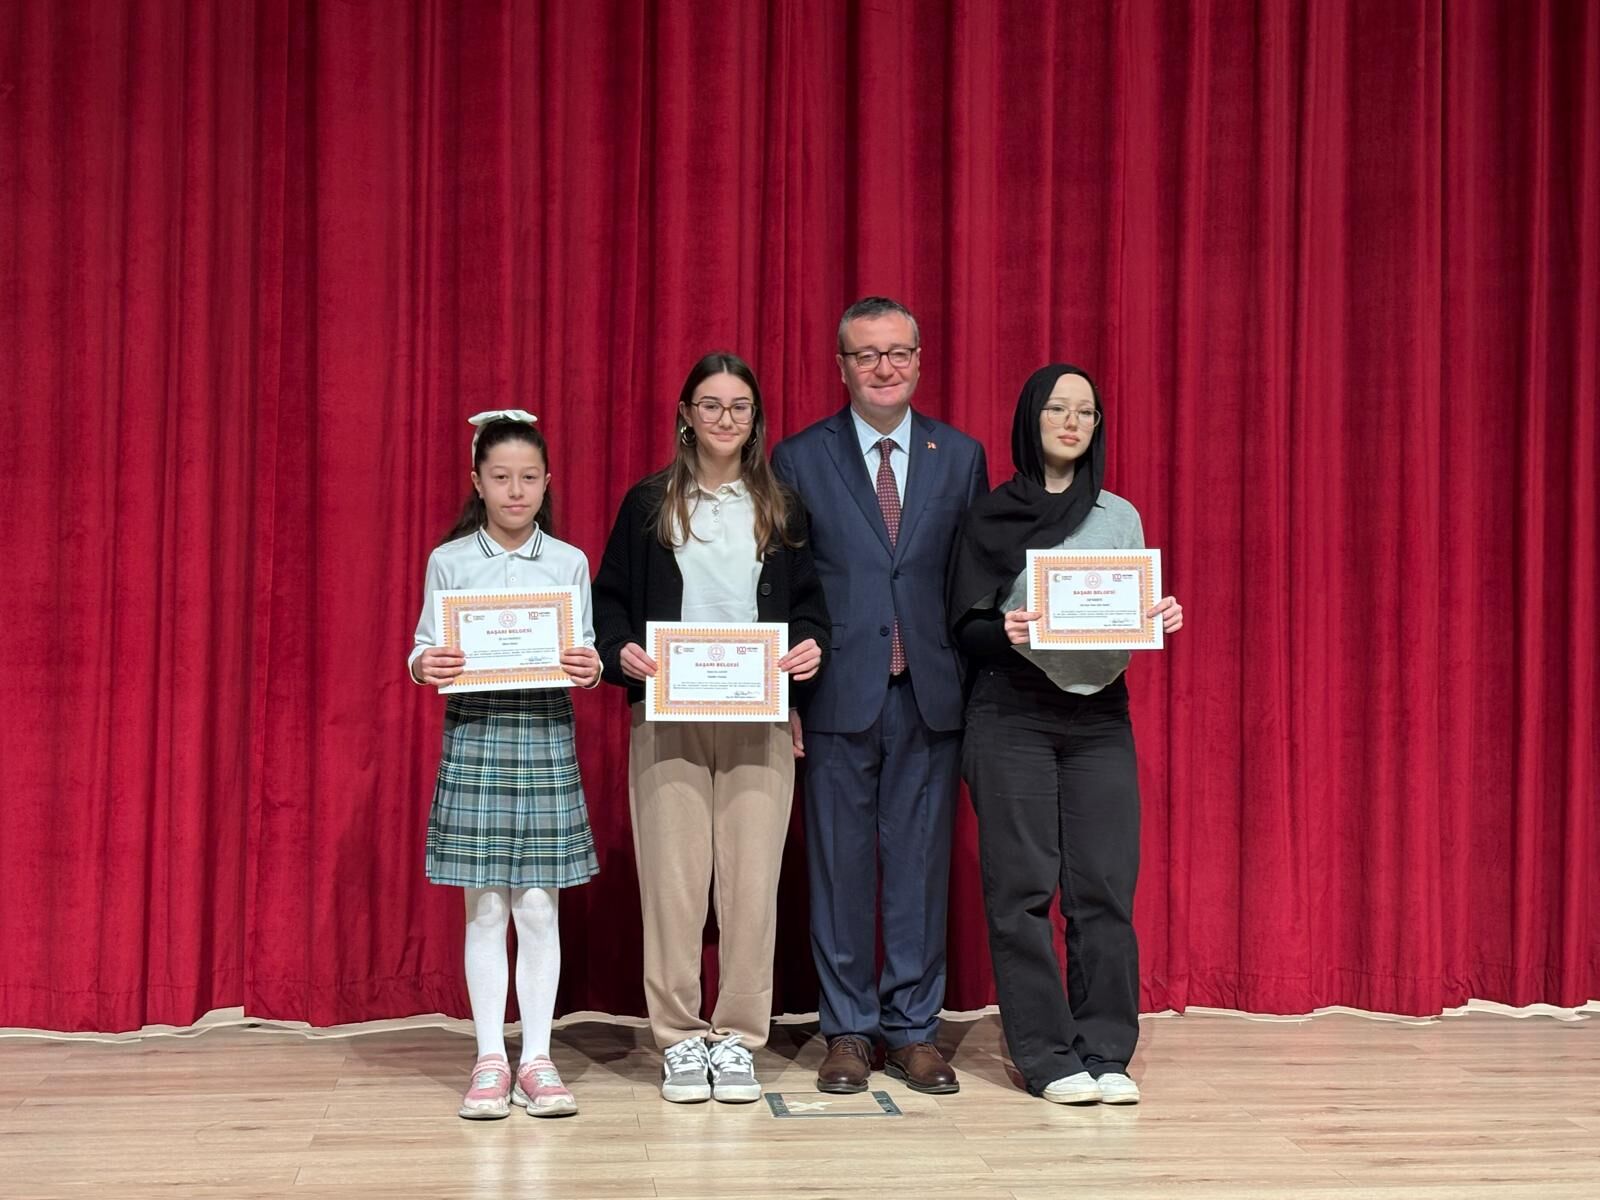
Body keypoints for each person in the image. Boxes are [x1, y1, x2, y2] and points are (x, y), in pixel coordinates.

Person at [593, 352, 831, 1104]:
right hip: (668, 716)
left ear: (755, 419)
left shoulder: (782, 507)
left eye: (740, 406)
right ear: (686, 416)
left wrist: (811, 646)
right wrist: (618, 651)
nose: (726, 418)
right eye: (711, 404)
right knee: (673, 885)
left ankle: (737, 1040)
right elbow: (609, 603)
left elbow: (812, 606)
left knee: (752, 888)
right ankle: (678, 1038)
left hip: (759, 717)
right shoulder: (648, 504)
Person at [945, 365, 1183, 1106]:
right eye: (1058, 409)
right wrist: (1005, 630)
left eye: (1086, 411)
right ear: (1032, 418)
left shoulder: (1120, 516)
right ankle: (1047, 1056)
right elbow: (962, 626)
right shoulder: (990, 515)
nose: (1073, 422)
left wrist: (1157, 616)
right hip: (1010, 712)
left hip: (1100, 715)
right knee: (1021, 891)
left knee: (1103, 888)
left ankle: (1106, 1051)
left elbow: (1125, 611)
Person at [771, 297, 988, 1095]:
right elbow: (784, 584)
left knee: (921, 871)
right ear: (842, 367)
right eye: (866, 355)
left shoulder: (959, 456)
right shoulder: (800, 458)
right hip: (834, 695)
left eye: (898, 352)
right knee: (838, 868)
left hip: (930, 695)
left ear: (920, 360)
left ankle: (913, 1030)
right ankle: (849, 1031)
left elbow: (974, 581)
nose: (884, 367)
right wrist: (785, 697)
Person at [409, 409, 602, 1120]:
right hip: (478, 731)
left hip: (543, 732)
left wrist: (589, 666)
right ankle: (490, 1058)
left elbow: (585, 647)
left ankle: (538, 1060)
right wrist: (426, 663)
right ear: (477, 482)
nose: (515, 491)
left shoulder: (569, 562)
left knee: (539, 906)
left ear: (547, 482)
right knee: (486, 905)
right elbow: (423, 647)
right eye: (501, 478)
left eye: (528, 478)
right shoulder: (450, 560)